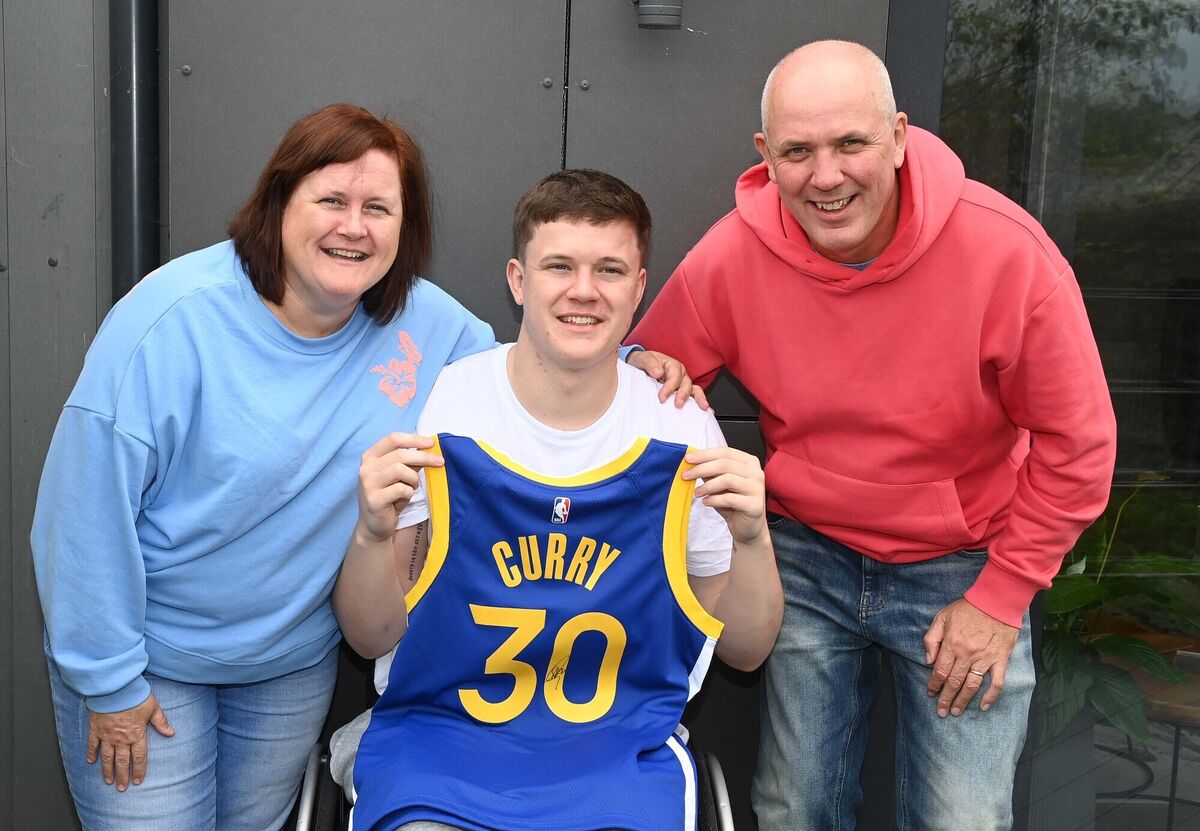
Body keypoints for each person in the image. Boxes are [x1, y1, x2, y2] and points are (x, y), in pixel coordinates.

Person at [30, 105, 692, 831]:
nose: (355, 226)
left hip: (286, 664)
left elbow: (531, 355)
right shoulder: (170, 319)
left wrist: (628, 360)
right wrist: (108, 680)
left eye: (378, 207)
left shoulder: (425, 323)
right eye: (332, 201)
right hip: (150, 660)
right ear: (279, 201)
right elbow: (82, 513)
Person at [628, 41, 1118, 830]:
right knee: (793, 809)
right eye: (798, 151)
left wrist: (1001, 597)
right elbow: (646, 369)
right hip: (809, 557)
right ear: (766, 156)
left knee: (962, 818)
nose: (826, 176)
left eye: (850, 143)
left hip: (965, 565)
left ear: (896, 135)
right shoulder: (734, 254)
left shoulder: (1006, 253)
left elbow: (1081, 443)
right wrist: (646, 366)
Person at [333, 169, 784, 830]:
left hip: (612, 756)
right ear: (518, 280)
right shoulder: (454, 399)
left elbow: (746, 649)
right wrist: (372, 534)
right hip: (442, 744)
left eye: (608, 269)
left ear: (639, 288)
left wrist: (754, 538)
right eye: (559, 266)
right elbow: (371, 632)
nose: (582, 290)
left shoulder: (677, 422)